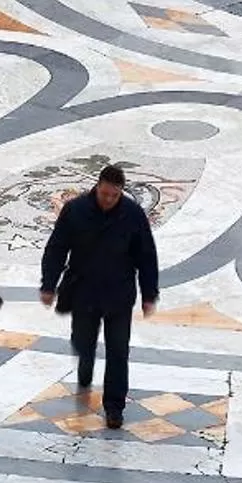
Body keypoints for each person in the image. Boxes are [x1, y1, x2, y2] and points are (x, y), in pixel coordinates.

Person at [39, 163, 159, 430]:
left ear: (121, 192)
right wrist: (48, 284)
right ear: (97, 187)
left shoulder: (132, 214)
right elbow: (57, 248)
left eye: (114, 195)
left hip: (119, 294)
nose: (108, 200)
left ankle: (114, 407)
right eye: (105, 194)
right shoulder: (75, 210)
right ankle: (85, 367)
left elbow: (146, 256)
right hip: (84, 291)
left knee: (118, 351)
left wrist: (149, 294)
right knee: (83, 342)